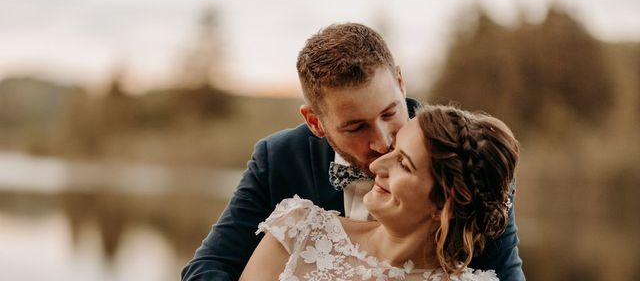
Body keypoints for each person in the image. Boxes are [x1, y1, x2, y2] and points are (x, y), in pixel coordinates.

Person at [181, 23, 524, 281]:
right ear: (315, 122)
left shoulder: (468, 165)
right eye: (356, 127)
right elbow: (209, 267)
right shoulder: (280, 161)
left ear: (401, 83)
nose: (383, 142)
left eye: (390, 112)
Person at [240, 105, 520, 281]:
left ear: (445, 202)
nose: (376, 165)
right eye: (393, 150)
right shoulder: (299, 232)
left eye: (403, 164)